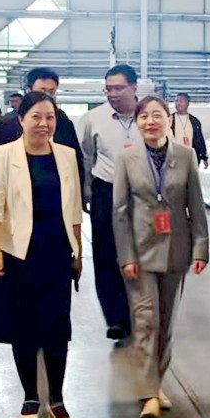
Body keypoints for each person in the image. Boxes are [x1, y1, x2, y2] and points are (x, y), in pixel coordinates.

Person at [0, 91, 83, 418]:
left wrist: (78, 252)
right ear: (21, 119)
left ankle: (56, 398)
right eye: (36, 116)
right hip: (18, 254)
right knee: (23, 327)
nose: (43, 123)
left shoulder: (66, 155)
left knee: (57, 328)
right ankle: (30, 396)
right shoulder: (4, 155)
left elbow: (74, 209)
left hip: (57, 252)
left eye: (49, 117)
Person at [113, 96, 209, 418]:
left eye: (157, 115)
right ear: (137, 123)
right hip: (139, 253)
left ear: (169, 120)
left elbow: (195, 205)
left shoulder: (185, 156)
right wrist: (125, 255)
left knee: (166, 324)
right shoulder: (126, 158)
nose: (150, 121)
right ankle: (148, 393)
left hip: (176, 250)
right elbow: (120, 212)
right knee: (145, 321)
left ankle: (155, 383)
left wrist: (200, 249)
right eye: (144, 116)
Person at [79, 64, 141, 341]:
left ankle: (140, 310)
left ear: (134, 87)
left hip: (143, 192)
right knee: (106, 253)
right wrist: (86, 192)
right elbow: (86, 156)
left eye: (118, 88)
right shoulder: (93, 119)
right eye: (108, 89)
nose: (113, 94)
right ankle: (115, 317)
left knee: (143, 251)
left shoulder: (149, 114)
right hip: (106, 190)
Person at [0, 68, 84, 193]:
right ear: (28, 91)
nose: (46, 97)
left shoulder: (64, 124)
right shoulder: (8, 125)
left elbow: (77, 164)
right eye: (42, 91)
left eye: (52, 92)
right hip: (17, 192)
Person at [170, 93, 208, 168]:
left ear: (187, 103)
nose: (178, 103)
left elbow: (200, 140)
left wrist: (204, 157)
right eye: (176, 101)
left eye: (181, 101)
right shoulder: (169, 120)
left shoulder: (194, 122)